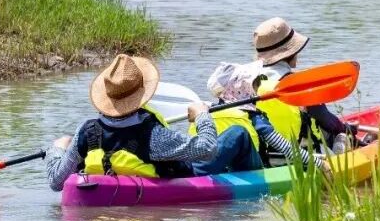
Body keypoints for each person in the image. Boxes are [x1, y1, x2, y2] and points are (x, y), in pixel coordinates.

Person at [46, 53, 260, 191]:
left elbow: (57, 182)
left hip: (109, 185)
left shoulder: (86, 132)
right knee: (238, 134)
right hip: (183, 179)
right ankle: (260, 184)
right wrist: (202, 115)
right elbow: (208, 149)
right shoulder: (153, 136)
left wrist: (57, 148)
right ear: (141, 95)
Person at [251, 16, 354, 152]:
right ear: (291, 52)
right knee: (342, 136)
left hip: (264, 155)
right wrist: (346, 129)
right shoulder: (298, 85)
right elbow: (326, 120)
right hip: (303, 156)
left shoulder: (248, 79)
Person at [206, 62, 327, 171]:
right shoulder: (253, 117)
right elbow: (285, 148)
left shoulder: (208, 113)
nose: (258, 88)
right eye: (255, 84)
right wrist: (320, 164)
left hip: (219, 171)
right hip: (250, 175)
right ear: (243, 88)